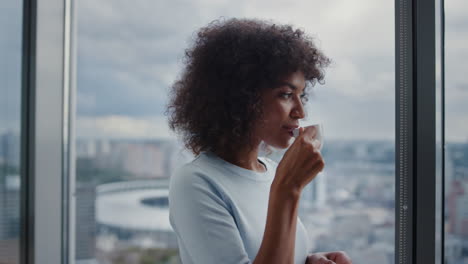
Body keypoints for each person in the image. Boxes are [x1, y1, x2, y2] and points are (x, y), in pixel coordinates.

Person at [165, 17, 352, 264]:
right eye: (286, 94)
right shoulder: (196, 183)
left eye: (301, 95)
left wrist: (306, 261)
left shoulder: (272, 171)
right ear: (242, 98)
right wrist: (288, 188)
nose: (300, 112)